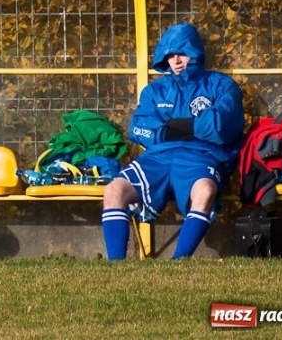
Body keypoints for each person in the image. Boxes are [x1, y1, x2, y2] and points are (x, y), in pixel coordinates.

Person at [101, 22, 245, 259]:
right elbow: (138, 127)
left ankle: (179, 263)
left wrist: (176, 125)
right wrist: (189, 127)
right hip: (158, 156)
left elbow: (222, 127)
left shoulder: (222, 85)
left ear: (195, 52)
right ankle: (116, 267)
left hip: (201, 156)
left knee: (206, 191)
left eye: (182, 53)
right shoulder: (154, 91)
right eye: (170, 55)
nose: (176, 60)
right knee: (114, 189)